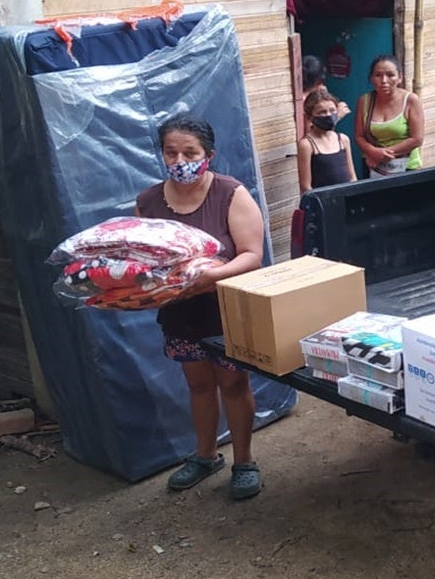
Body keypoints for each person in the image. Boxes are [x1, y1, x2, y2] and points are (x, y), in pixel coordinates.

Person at [135, 113, 267, 500]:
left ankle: (244, 461)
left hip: (224, 309)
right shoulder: (148, 202)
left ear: (208, 154)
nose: (179, 161)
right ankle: (206, 455)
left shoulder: (230, 193)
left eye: (189, 152)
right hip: (180, 312)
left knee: (233, 382)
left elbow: (252, 255)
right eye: (171, 152)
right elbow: (141, 260)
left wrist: (210, 277)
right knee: (198, 384)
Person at [355, 54, 425, 176]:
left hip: (407, 167)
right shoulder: (364, 101)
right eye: (378, 75)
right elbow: (359, 136)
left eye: (390, 75)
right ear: (371, 78)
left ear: (400, 78)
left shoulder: (411, 100)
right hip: (373, 166)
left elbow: (417, 139)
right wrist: (372, 152)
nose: (384, 81)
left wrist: (383, 154)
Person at [297, 88, 357, 194]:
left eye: (332, 110)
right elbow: (306, 186)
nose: (329, 115)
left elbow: (352, 177)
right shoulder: (307, 145)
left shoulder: (343, 139)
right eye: (322, 112)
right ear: (310, 117)